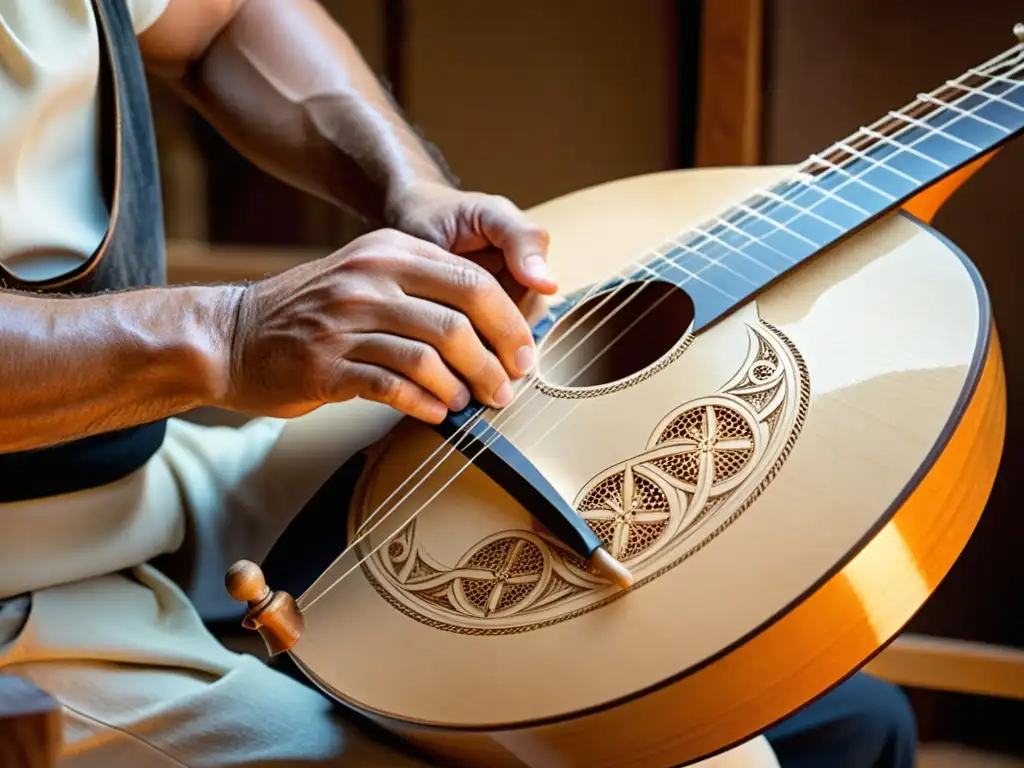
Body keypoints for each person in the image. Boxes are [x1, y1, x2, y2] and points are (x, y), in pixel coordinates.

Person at [0, 0, 916, 766]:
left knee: (853, 726)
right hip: (22, 591)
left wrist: (410, 188)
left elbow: (222, 17)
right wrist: (229, 336)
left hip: (137, 478)